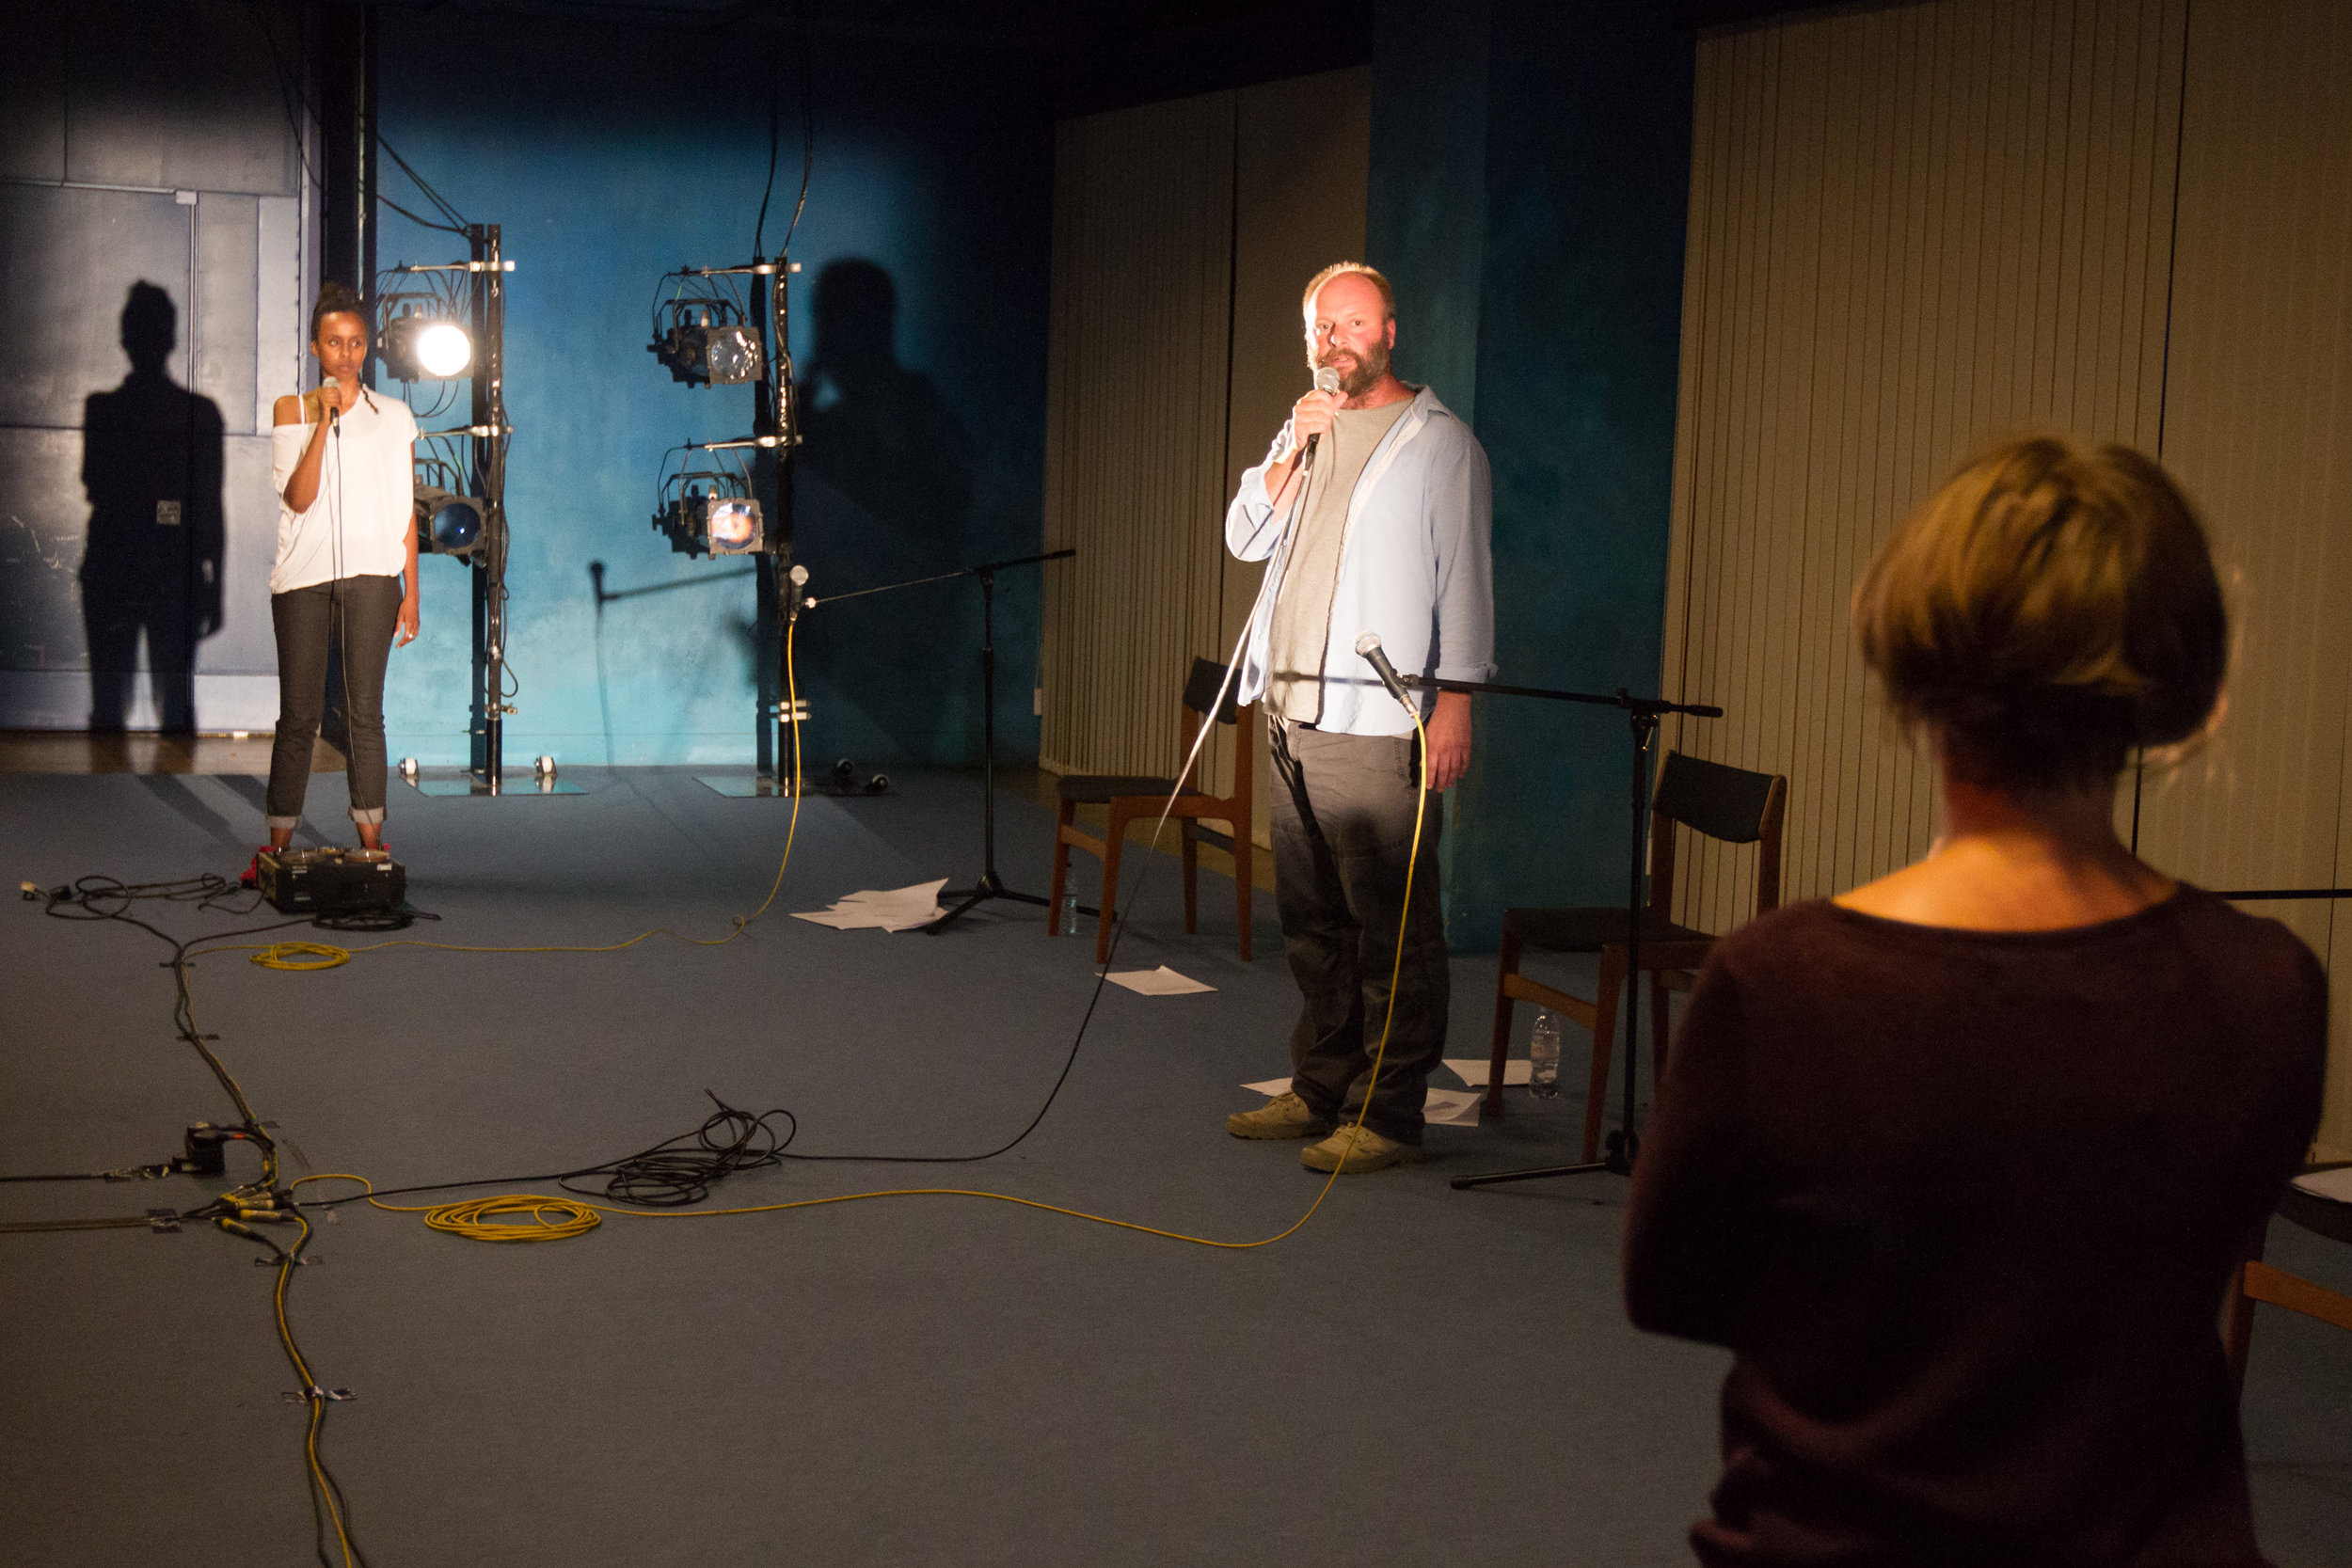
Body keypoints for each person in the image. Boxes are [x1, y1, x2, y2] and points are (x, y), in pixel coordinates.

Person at [1624, 437, 2325, 1564]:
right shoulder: (2268, 987)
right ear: (2173, 688)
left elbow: (1670, 1284)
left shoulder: (1785, 981)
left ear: (1915, 665)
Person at [1220, 261, 1495, 1174]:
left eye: (1354, 324)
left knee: (1392, 925)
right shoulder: (1307, 426)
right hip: (1291, 706)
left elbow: (1465, 582)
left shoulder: (1440, 444)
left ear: (1388, 332)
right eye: (1321, 329)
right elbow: (1243, 536)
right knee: (1312, 919)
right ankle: (1320, 1085)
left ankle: (1390, 1108)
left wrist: (1454, 698)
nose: (1337, 341)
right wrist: (1287, 453)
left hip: (1378, 720)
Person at [242, 282, 421, 883]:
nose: (346, 354)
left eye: (355, 343)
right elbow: (298, 496)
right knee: (299, 716)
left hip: (374, 579)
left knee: (365, 713)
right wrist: (324, 421)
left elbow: (405, 512)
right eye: (334, 343)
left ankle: (373, 840)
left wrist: (412, 591)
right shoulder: (292, 409)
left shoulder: (395, 417)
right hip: (302, 579)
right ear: (315, 346)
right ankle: (276, 846)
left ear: (366, 347)